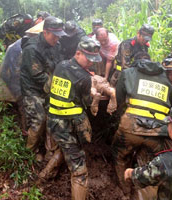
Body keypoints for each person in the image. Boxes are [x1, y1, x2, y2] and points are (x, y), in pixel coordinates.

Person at [47, 36, 101, 199]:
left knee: (66, 147)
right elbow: (87, 103)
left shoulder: (60, 65)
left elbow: (48, 87)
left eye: (94, 59)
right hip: (68, 125)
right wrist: (94, 94)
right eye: (89, 58)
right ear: (78, 53)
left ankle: (43, 176)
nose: (91, 62)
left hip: (53, 122)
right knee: (79, 171)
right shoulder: (84, 78)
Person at [111, 57, 172, 199]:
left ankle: (125, 190)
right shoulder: (167, 76)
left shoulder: (128, 72)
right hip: (158, 132)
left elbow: (119, 99)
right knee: (150, 163)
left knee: (119, 154)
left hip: (130, 128)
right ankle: (145, 194)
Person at [20, 16, 66, 157]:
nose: (57, 39)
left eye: (59, 36)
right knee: (39, 119)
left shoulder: (55, 45)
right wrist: (60, 89)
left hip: (49, 85)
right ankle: (30, 152)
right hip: (33, 89)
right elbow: (38, 76)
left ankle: (50, 149)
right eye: (54, 36)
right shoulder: (32, 49)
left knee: (55, 116)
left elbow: (60, 64)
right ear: (45, 32)